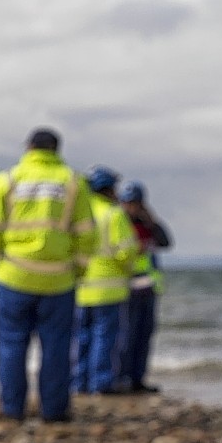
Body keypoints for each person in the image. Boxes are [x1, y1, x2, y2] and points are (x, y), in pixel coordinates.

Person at [0, 128, 96, 422]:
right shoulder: (72, 182)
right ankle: (54, 410)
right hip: (59, 280)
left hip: (13, 277)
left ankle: (12, 408)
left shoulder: (8, 179)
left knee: (11, 346)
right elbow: (86, 233)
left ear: (28, 147)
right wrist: (77, 269)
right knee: (56, 348)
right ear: (56, 150)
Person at [72, 166, 140, 394]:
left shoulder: (80, 213)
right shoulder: (113, 214)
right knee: (105, 339)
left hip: (81, 288)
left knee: (81, 338)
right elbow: (126, 252)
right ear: (108, 190)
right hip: (109, 289)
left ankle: (79, 382)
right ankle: (101, 383)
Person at [119, 180, 172, 393]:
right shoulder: (119, 223)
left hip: (148, 289)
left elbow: (166, 242)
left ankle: (137, 379)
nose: (132, 207)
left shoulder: (147, 225)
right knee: (126, 337)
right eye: (129, 203)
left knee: (143, 337)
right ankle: (121, 378)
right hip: (127, 288)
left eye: (136, 203)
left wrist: (152, 221)